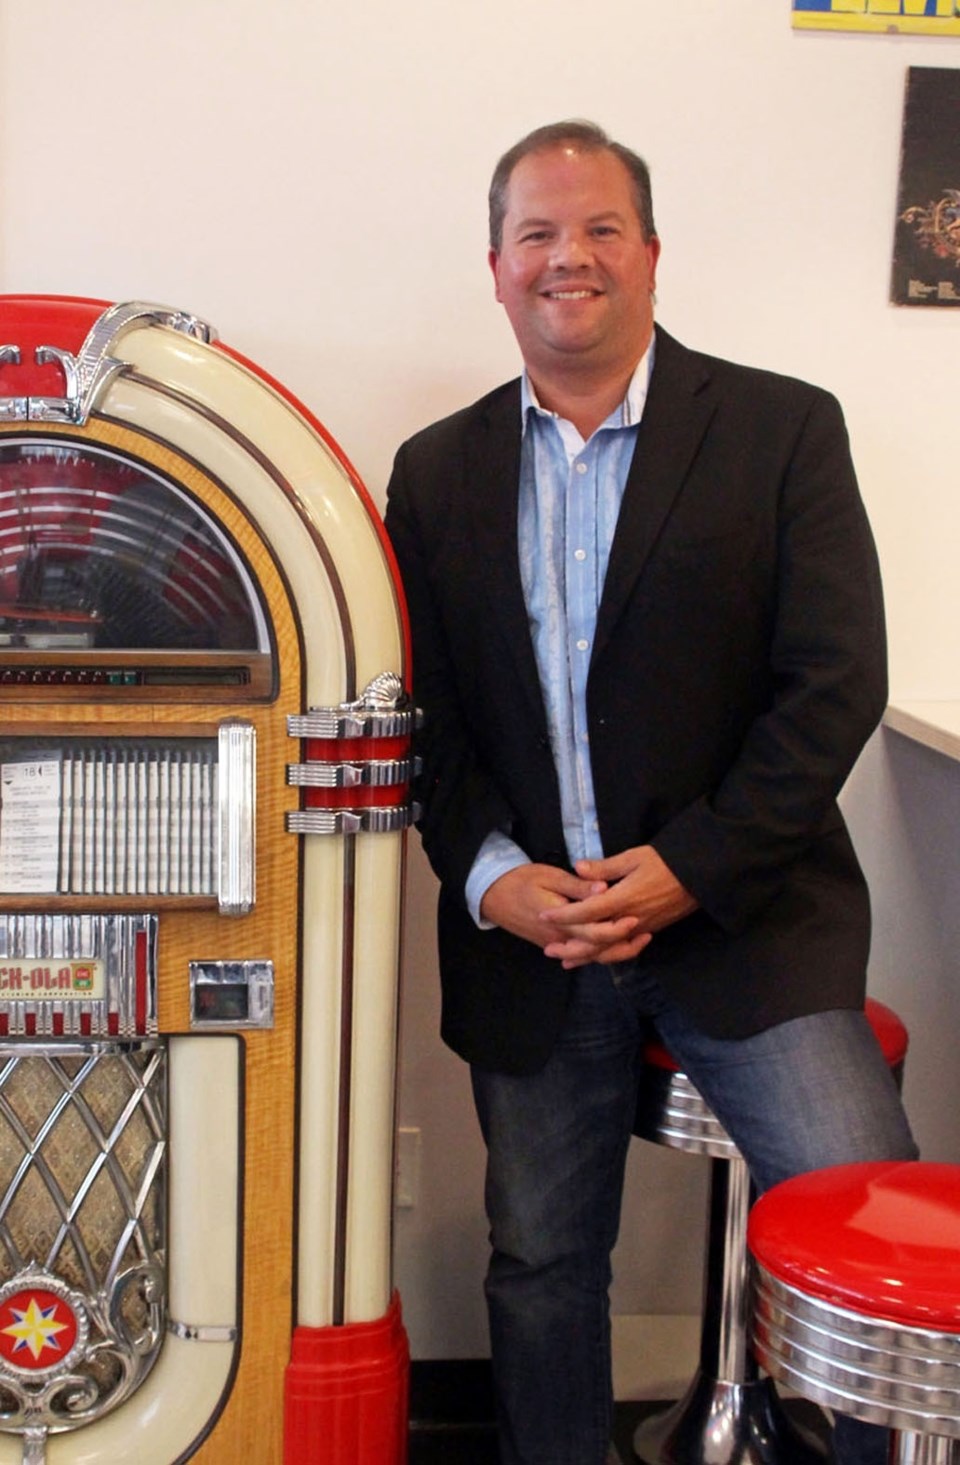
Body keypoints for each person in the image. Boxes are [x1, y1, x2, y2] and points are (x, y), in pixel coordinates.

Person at [384, 120, 917, 1465]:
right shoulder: (433, 471)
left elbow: (832, 682)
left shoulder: (782, 429)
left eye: (601, 227)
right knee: (542, 1261)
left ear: (653, 254)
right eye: (539, 234)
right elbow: (423, 728)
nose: (571, 255)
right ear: (496, 270)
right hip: (537, 935)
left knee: (862, 1231)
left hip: (744, 918)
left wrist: (692, 864)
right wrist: (499, 876)